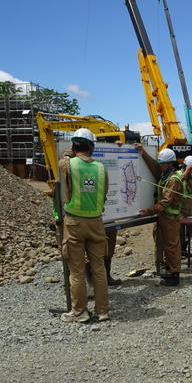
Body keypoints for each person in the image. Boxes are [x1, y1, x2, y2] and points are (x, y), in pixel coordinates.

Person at [58, 128, 109, 323]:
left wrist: (70, 151)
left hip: (74, 223)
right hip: (96, 222)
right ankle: (102, 310)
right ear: (91, 147)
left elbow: (65, 158)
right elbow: (103, 194)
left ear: (74, 145)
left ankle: (80, 312)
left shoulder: (67, 164)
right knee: (99, 268)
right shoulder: (101, 168)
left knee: (77, 270)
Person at [137, 145, 184, 286]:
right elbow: (154, 167)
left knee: (171, 246)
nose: (160, 165)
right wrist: (143, 152)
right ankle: (168, 269)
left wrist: (148, 211)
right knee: (164, 244)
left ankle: (174, 275)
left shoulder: (173, 180)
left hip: (170, 218)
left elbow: (165, 201)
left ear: (170, 163)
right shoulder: (166, 174)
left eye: (163, 163)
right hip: (164, 217)